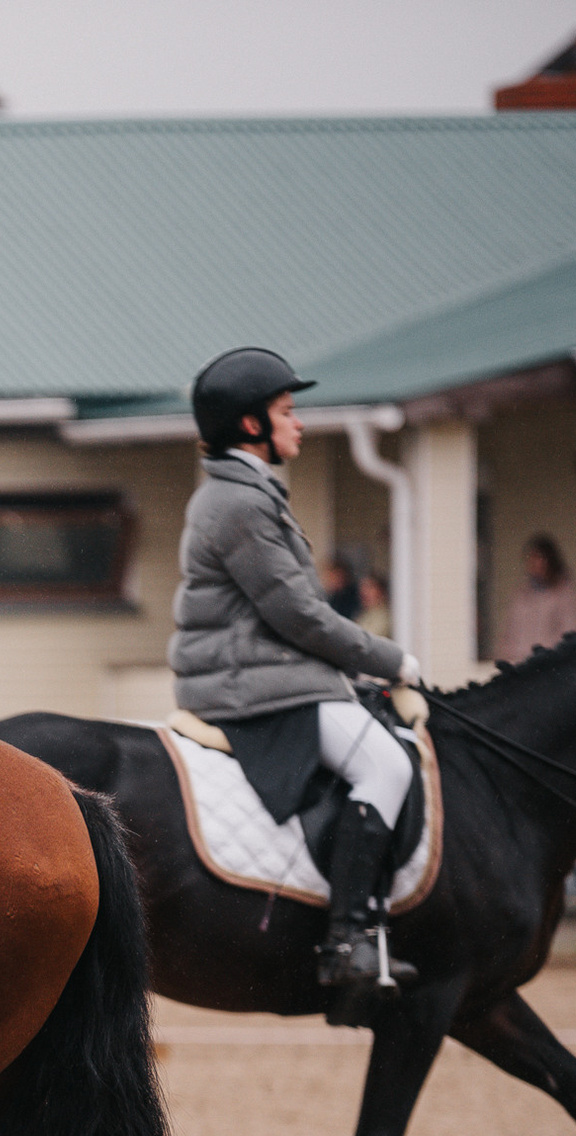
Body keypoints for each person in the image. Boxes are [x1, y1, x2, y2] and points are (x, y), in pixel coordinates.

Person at [170, 347, 423, 1012]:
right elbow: (299, 616)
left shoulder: (243, 493)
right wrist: (389, 660)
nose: (299, 424)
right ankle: (350, 937)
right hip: (252, 686)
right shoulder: (239, 505)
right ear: (252, 427)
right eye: (287, 412)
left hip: (265, 673)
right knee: (388, 767)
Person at [495, 533, 576, 662]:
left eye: (537, 558)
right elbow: (509, 632)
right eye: (530, 558)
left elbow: (568, 631)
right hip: (519, 663)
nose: (533, 562)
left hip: (547, 664)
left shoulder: (561, 593)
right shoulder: (521, 593)